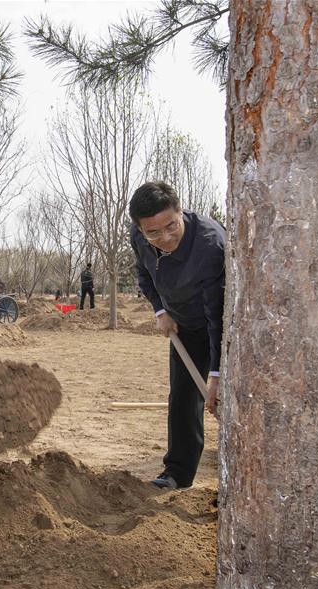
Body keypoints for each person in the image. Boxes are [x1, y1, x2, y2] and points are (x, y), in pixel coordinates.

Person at [129, 181, 224, 490]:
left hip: (224, 323)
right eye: (154, 233)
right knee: (183, 397)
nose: (165, 238)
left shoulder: (210, 246)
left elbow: (217, 315)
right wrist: (160, 310)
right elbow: (144, 274)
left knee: (226, 396)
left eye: (171, 226)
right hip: (182, 325)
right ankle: (177, 474)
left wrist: (216, 373)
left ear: (181, 211)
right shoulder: (139, 238)